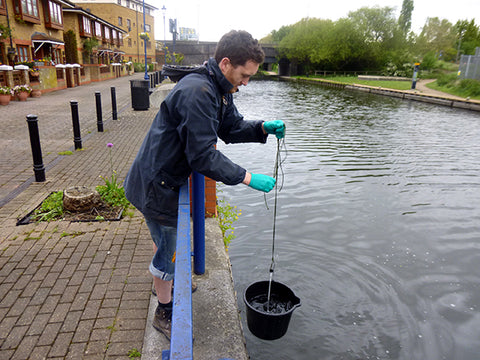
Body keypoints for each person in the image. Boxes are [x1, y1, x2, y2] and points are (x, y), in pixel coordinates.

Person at [123, 30, 285, 340]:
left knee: (164, 241)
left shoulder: (218, 88)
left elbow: (231, 127)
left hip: (160, 178)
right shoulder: (199, 92)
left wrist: (262, 127)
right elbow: (202, 157)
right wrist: (248, 177)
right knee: (169, 249)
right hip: (157, 184)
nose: (246, 82)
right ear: (226, 63)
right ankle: (165, 309)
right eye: (244, 75)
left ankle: (166, 280)